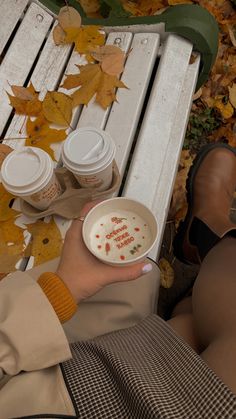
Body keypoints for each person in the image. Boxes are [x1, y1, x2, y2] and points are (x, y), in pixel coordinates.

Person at [1, 143, 236, 418]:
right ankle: (207, 231)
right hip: (132, 403)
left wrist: (60, 293)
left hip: (62, 384)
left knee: (187, 323)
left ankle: (201, 241)